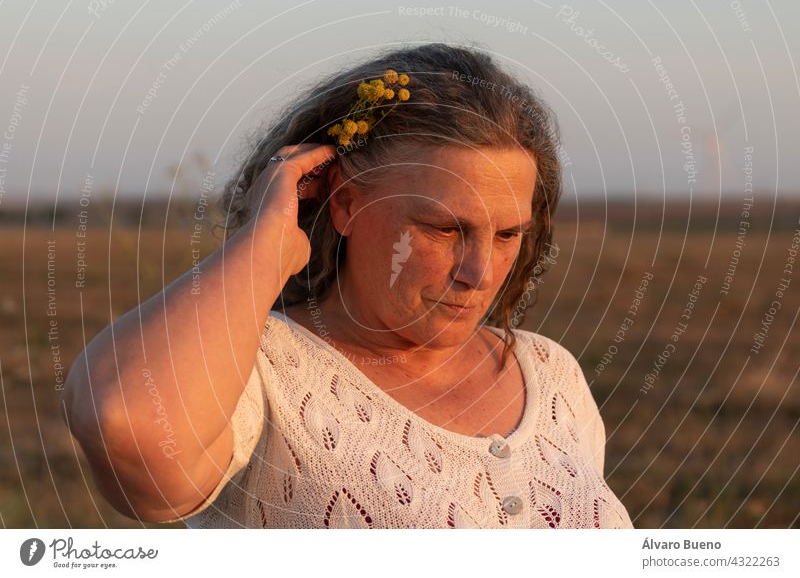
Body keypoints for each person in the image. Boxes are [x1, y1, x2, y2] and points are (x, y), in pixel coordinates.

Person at [61, 42, 633, 528]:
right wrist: (264, 243)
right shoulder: (262, 374)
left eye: (508, 235)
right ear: (345, 203)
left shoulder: (550, 375)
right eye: (442, 229)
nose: (480, 273)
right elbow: (130, 427)